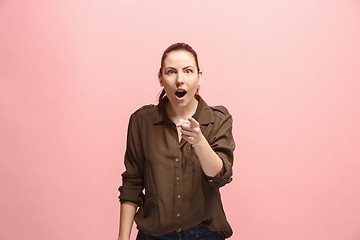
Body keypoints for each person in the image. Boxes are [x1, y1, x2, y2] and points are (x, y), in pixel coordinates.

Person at [117, 42, 235, 240]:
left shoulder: (219, 119)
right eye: (171, 72)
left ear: (199, 77)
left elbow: (219, 176)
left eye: (188, 71)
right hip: (153, 235)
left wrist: (199, 141)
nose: (180, 80)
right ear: (161, 78)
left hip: (204, 234)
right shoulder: (141, 122)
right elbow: (132, 183)